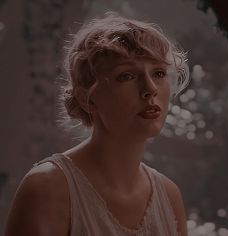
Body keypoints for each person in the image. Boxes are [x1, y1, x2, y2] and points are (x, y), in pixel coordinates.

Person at [5, 12, 190, 236]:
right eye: (127, 76)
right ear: (87, 98)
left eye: (159, 73)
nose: (150, 88)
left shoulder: (169, 197)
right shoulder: (48, 189)